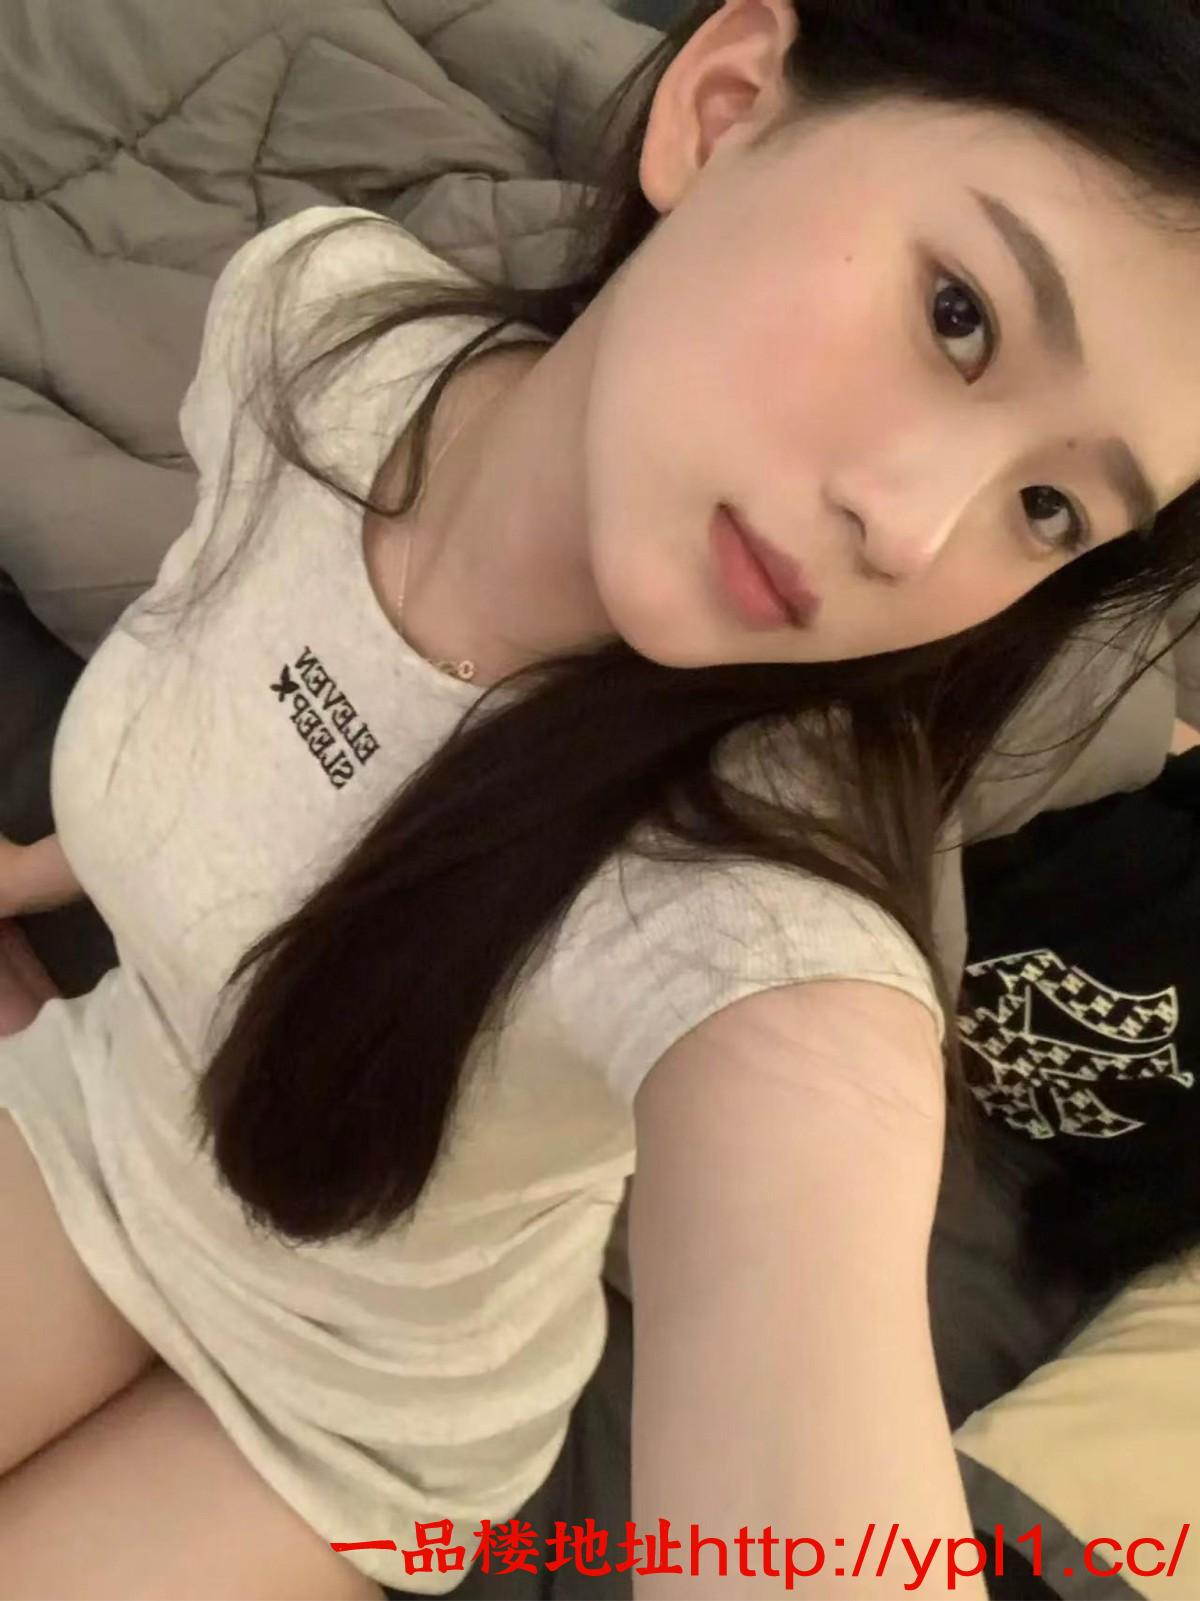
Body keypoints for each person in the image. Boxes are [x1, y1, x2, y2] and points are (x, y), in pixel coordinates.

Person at [1, 0, 1200, 1594]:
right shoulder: (319, 326)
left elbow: (805, 1191)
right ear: (725, 105)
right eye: (959, 316)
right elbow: (228, 668)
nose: (913, 532)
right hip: (103, 1115)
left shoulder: (763, 919)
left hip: (351, 1415)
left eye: (1048, 506)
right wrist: (57, 859)